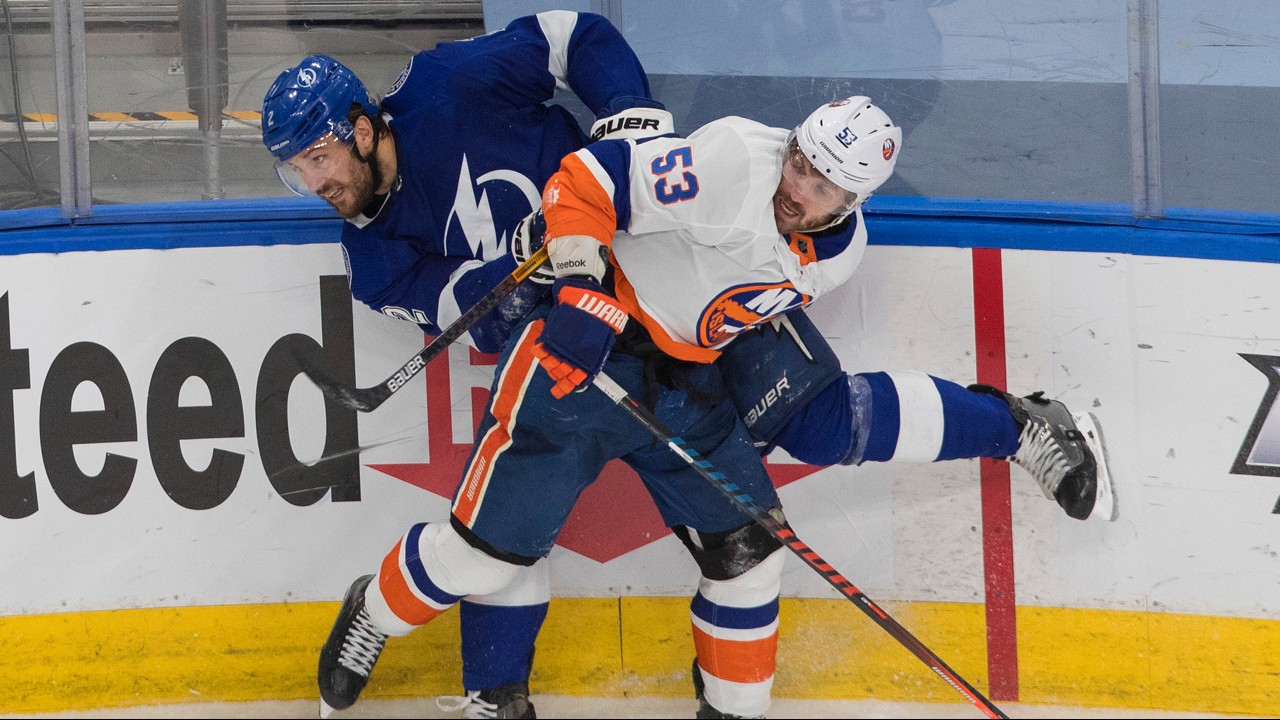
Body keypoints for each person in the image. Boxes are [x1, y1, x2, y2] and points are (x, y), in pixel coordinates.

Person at [311, 95, 1117, 720]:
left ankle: (731, 710)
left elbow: (728, 303)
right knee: (483, 559)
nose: (796, 188)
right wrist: (584, 287)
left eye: (821, 185)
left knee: (751, 553)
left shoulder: (838, 255)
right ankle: (374, 610)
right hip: (586, 353)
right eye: (799, 163)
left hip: (688, 380)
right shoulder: (730, 159)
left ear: (854, 199)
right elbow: (584, 180)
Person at [259, 11, 676, 719]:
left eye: (319, 158)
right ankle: (495, 692)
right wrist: (516, 266)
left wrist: (627, 113)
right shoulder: (372, 261)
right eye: (297, 170)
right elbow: (467, 310)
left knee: (724, 516)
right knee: (508, 523)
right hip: (549, 345)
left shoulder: (447, 83)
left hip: (648, 288)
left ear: (362, 129)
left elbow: (571, 36)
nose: (314, 181)